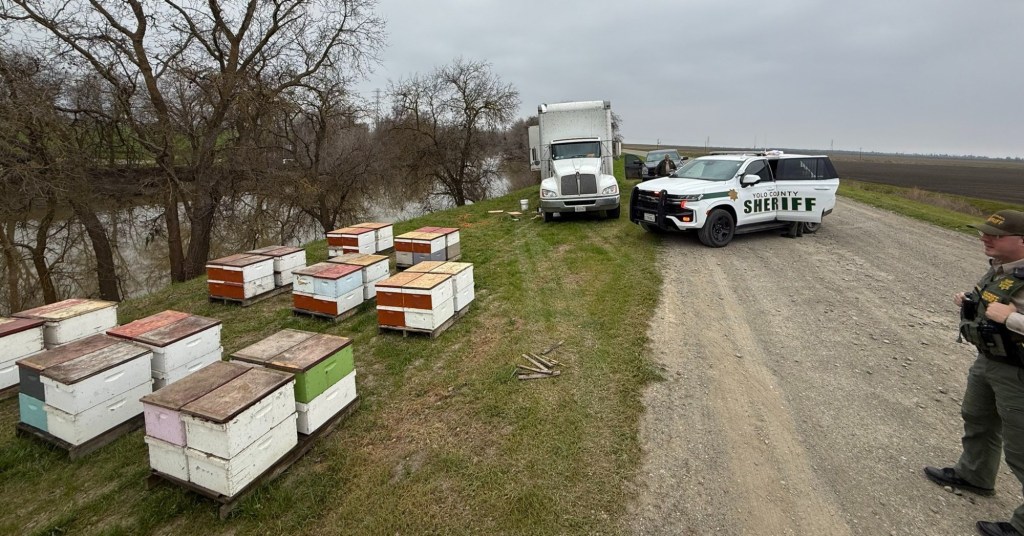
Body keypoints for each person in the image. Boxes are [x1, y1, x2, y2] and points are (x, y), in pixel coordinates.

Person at [925, 209, 1024, 536]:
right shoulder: (1003, 270)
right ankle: (975, 476)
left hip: (1018, 373)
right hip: (991, 361)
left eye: (995, 235)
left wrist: (1010, 319)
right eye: (985, 233)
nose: (985, 238)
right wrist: (971, 302)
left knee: (1021, 447)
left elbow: (1007, 315)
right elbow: (994, 304)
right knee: (977, 417)